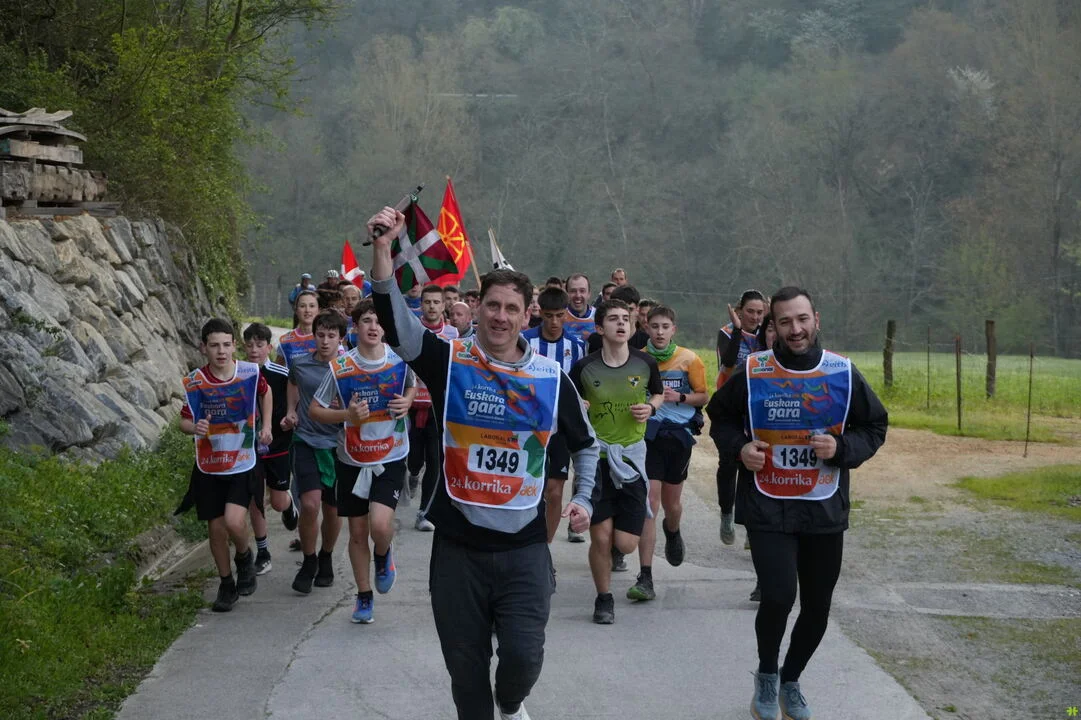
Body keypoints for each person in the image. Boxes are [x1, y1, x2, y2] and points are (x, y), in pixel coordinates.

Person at [367, 205, 599, 720]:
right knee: (466, 675)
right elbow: (395, 323)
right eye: (492, 305)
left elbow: (586, 445)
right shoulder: (450, 361)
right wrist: (383, 249)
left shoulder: (550, 379)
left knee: (522, 659)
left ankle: (511, 704)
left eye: (511, 308)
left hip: (524, 548)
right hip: (458, 549)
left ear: (526, 315)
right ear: (477, 309)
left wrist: (583, 499)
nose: (500, 316)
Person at [707, 287, 887, 720]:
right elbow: (720, 416)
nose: (795, 329)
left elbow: (875, 426)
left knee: (818, 605)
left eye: (802, 319)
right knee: (778, 596)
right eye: (785, 321)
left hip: (823, 506)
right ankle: (767, 676)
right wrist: (739, 449)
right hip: (768, 504)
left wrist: (842, 448)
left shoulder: (842, 372)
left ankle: (791, 679)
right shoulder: (753, 371)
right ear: (773, 325)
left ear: (816, 319)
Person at [309, 299, 416, 623]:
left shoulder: (400, 360)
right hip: (351, 458)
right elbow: (315, 410)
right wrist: (347, 415)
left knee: (380, 525)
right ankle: (364, 596)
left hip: (391, 454)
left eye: (379, 321)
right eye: (367, 320)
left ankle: (383, 554)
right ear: (355, 327)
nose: (373, 327)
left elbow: (412, 388)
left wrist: (407, 402)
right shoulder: (341, 367)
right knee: (357, 532)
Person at [570, 299, 663, 625]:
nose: (621, 324)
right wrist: (579, 405)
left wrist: (651, 407)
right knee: (601, 536)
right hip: (596, 458)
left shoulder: (645, 363)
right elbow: (569, 401)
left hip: (631, 459)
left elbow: (658, 393)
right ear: (600, 327)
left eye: (626, 319)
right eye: (613, 319)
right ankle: (604, 599)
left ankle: (613, 553)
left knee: (624, 542)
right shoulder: (584, 367)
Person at [179, 319, 272, 612]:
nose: (221, 351)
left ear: (234, 346)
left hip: (242, 461)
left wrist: (266, 425)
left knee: (234, 521)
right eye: (214, 345)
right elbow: (184, 420)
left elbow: (265, 392)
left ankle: (244, 556)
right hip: (209, 464)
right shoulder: (195, 382)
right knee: (216, 529)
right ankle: (226, 583)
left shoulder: (249, 372)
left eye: (226, 345)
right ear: (203, 348)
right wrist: (195, 427)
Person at [626, 305, 708, 602]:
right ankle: (645, 576)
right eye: (655, 326)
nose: (660, 332)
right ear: (646, 328)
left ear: (674, 329)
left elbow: (703, 395)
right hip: (648, 437)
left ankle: (672, 530)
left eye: (665, 327)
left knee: (672, 505)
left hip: (678, 437)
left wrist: (681, 397)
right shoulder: (636, 359)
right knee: (650, 502)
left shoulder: (690, 359)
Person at [521, 286, 588, 543]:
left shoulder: (577, 346)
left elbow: (579, 385)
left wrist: (582, 402)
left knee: (555, 491)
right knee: (527, 487)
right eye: (549, 316)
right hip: (529, 426)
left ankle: (545, 549)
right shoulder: (525, 340)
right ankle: (523, 541)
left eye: (560, 315)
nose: (554, 322)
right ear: (541, 313)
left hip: (560, 429)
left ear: (566, 314)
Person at [286, 310, 346, 594]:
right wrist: (291, 410)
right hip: (306, 440)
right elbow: (292, 383)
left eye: (331, 336)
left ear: (341, 338)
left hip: (338, 445)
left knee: (333, 509)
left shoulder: (348, 367)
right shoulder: (301, 364)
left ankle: (326, 556)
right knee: (310, 505)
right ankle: (309, 561)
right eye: (320, 335)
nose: (325, 341)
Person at [242, 323, 301, 576]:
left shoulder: (281, 374)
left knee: (276, 502)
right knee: (255, 500)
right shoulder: (239, 373)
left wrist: (290, 417)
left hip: (278, 444)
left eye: (259, 345)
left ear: (269, 347)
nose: (254, 350)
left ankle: (288, 506)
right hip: (249, 448)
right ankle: (263, 552)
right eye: (249, 345)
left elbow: (295, 400)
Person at [716, 289, 768, 546]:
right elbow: (727, 362)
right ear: (739, 311)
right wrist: (738, 330)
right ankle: (727, 512)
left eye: (760, 313)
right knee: (729, 464)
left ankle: (752, 524)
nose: (755, 317)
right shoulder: (726, 332)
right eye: (750, 312)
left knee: (756, 464)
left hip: (758, 407)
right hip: (730, 405)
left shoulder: (767, 333)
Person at [406, 285, 459, 531]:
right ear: (421, 305)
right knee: (414, 458)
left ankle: (424, 512)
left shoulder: (453, 333)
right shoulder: (413, 330)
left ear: (443, 305)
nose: (432, 306)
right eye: (427, 302)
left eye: (436, 302)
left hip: (439, 407)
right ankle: (413, 474)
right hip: (412, 405)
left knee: (435, 459)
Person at [587, 285, 648, 354]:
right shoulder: (596, 341)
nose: (625, 314)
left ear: (637, 310)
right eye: (620, 310)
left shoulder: (647, 342)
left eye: (630, 309)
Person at [277, 291, 319, 369]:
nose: (307, 310)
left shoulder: (327, 337)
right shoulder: (286, 340)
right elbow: (277, 370)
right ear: (296, 310)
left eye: (312, 306)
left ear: (318, 310)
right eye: (302, 306)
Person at [562, 273, 596, 344]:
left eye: (582, 291)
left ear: (589, 294)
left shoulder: (599, 317)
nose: (578, 295)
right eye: (573, 291)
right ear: (567, 294)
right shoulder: (558, 317)